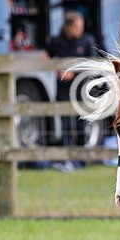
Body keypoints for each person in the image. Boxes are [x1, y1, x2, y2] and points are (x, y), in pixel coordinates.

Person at [47, 11, 99, 147]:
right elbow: (47, 55)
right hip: (63, 87)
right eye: (76, 26)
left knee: (81, 120)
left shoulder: (88, 40)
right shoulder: (57, 41)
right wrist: (54, 66)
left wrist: (73, 73)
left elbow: (92, 64)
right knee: (65, 121)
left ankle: (82, 154)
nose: (80, 29)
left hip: (81, 86)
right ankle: (67, 153)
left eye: (81, 26)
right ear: (67, 27)